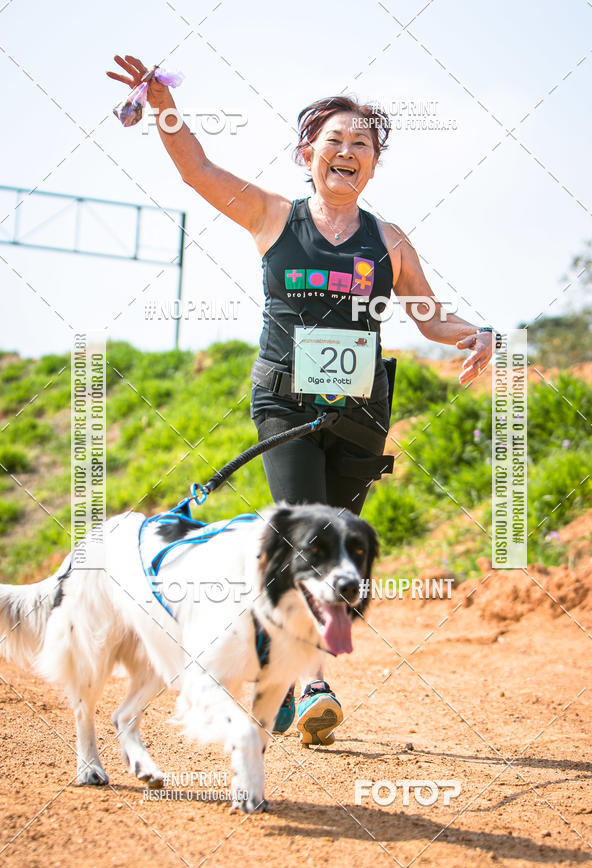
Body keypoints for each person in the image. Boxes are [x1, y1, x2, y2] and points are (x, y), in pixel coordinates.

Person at [107, 56, 494, 746]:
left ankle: (272, 666)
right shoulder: (273, 218)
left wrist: (478, 335)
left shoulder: (389, 240)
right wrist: (162, 103)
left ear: (373, 165)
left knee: (336, 543)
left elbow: (432, 318)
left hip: (362, 412)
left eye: (362, 145)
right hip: (285, 402)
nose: (347, 152)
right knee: (308, 533)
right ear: (306, 154)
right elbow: (197, 170)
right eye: (334, 141)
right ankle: (310, 679)